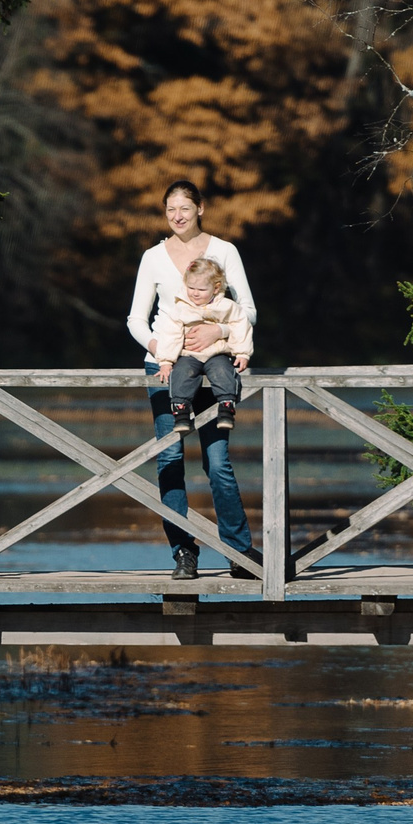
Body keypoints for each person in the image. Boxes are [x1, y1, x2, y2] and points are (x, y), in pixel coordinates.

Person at [126, 181, 260, 580]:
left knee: (217, 462)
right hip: (165, 368)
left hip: (215, 366)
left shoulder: (224, 251)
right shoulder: (152, 257)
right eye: (171, 210)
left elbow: (248, 309)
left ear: (201, 208)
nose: (178, 216)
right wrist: (161, 346)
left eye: (185, 207)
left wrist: (219, 334)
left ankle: (239, 552)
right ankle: (184, 553)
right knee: (169, 458)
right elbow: (135, 318)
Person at [149, 257, 254, 434]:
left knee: (223, 370)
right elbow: (170, 334)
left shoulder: (227, 306)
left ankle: (226, 405)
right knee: (182, 372)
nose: (195, 293)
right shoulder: (181, 308)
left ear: (216, 287)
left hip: (217, 352)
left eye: (201, 289)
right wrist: (166, 361)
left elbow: (241, 325)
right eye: (191, 288)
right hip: (189, 354)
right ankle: (181, 411)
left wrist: (242, 353)